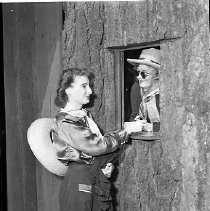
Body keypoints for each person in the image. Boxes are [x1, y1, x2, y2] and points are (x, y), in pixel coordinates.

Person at [50, 67, 141, 211]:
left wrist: (102, 168)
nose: (90, 91)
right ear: (68, 90)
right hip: (80, 185)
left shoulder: (83, 116)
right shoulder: (65, 121)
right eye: (84, 86)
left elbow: (91, 153)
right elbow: (96, 146)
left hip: (92, 180)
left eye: (89, 86)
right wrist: (125, 132)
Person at [126, 48, 160, 132]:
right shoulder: (138, 89)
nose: (139, 77)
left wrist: (153, 127)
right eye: (137, 72)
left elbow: (174, 124)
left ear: (157, 75)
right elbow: (135, 116)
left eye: (144, 74)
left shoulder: (165, 93)